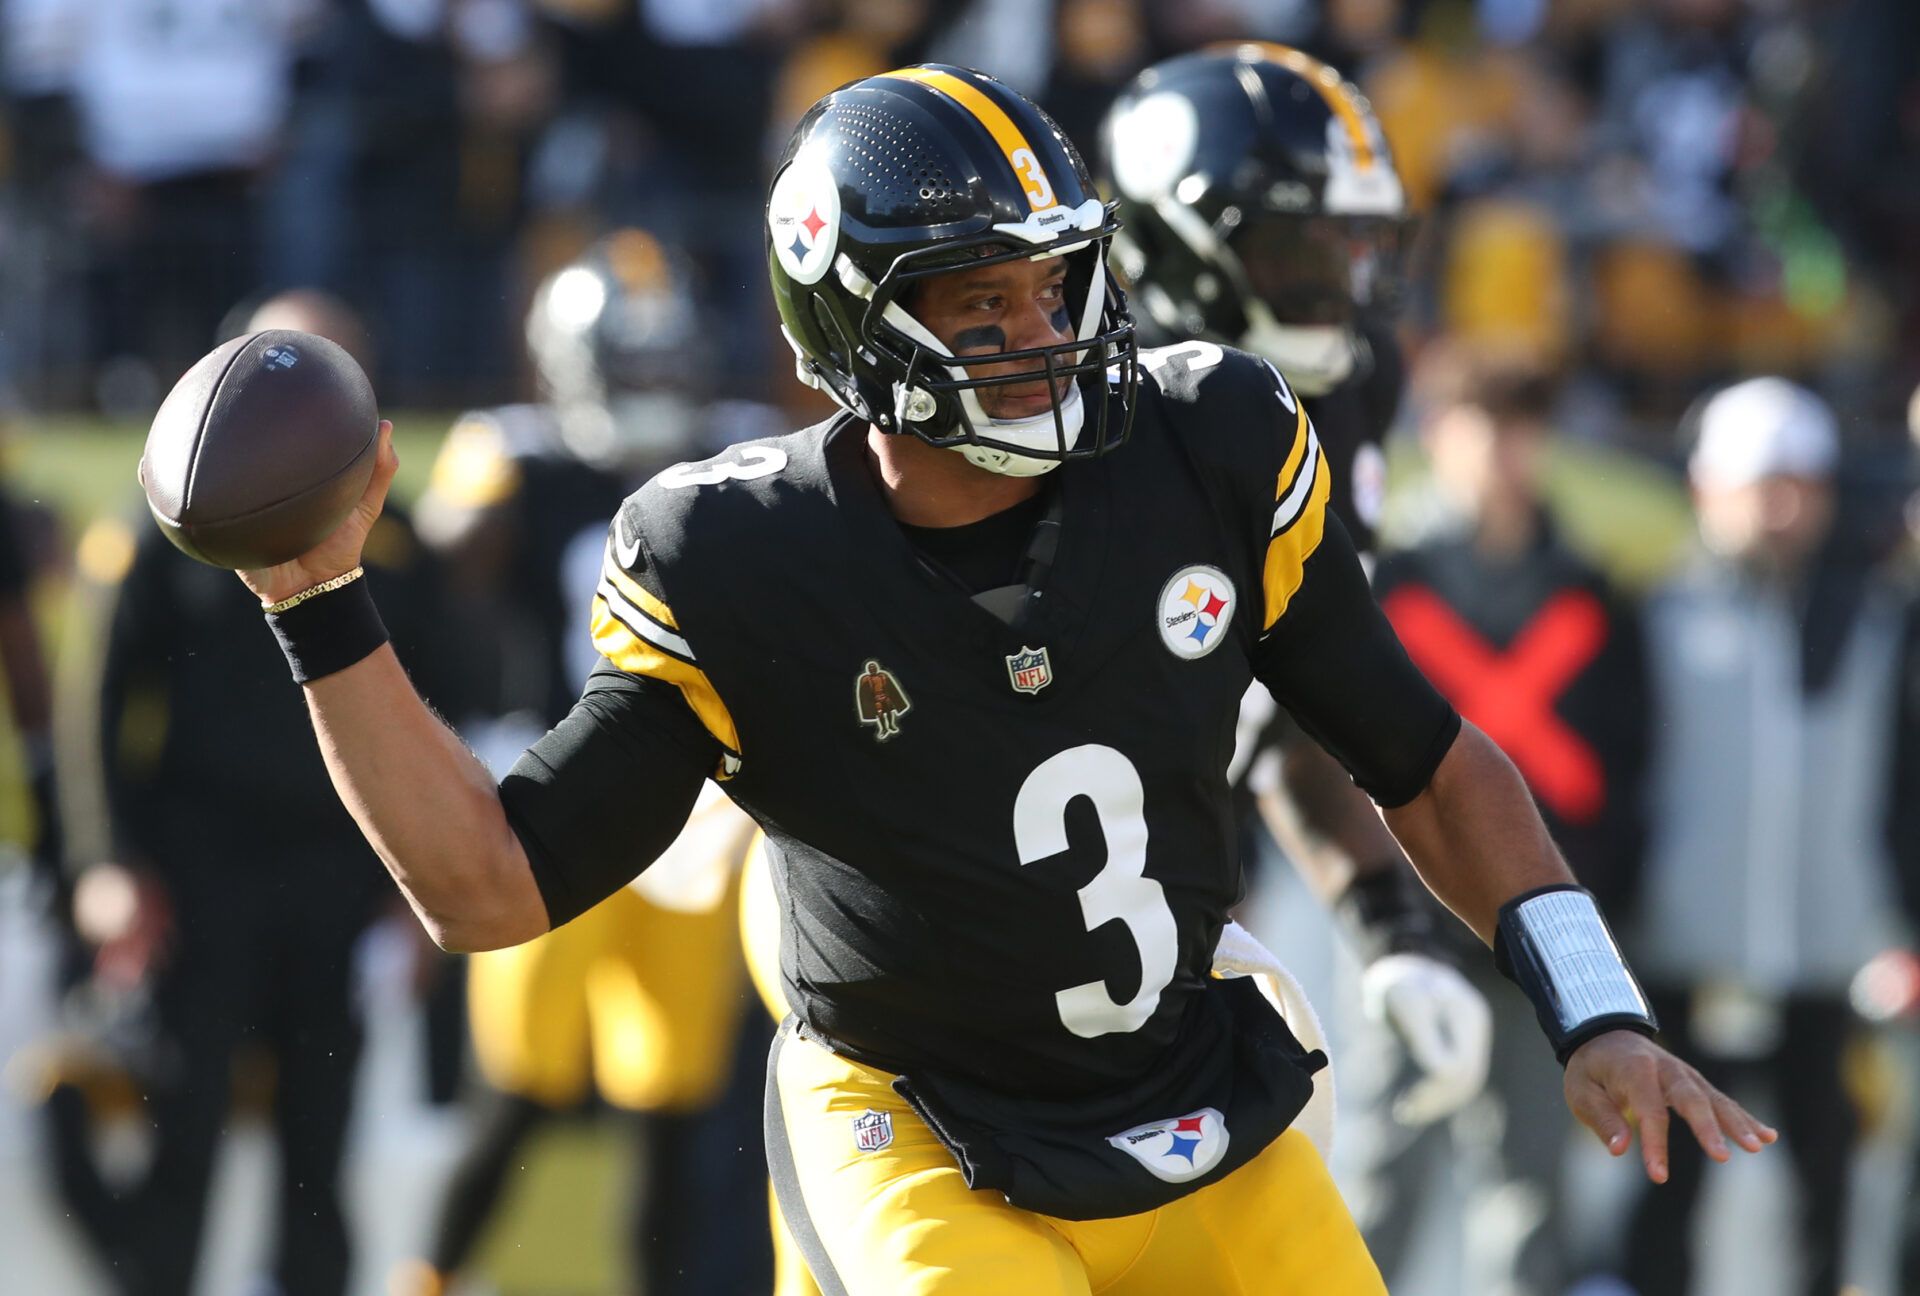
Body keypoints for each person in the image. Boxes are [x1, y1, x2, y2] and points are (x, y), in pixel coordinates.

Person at [227, 65, 1772, 1296]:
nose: (1042, 336)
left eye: (1054, 288)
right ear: (856, 319)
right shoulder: (742, 560)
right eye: (981, 305)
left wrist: (1595, 1011)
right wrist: (318, 604)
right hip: (924, 1133)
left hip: (1202, 1096)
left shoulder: (1209, 446)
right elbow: (492, 889)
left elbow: (1426, 759)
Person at [1100, 41, 1494, 1136]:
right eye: (1297, 241)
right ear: (1175, 240)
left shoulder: (1349, 382)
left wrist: (1394, 934)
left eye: (1354, 237)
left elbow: (1296, 703)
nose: (1339, 277)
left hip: (1162, 908)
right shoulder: (1073, 417)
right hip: (952, 918)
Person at [48, 292, 464, 1296]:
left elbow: (440, 717)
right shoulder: (162, 524)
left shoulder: (402, 544)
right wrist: (106, 861)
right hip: (200, 867)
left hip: (337, 868)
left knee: (322, 1145)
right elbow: (93, 701)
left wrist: (422, 886)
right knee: (178, 1131)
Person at [391, 231, 763, 1296]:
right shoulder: (514, 455)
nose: (653, 386)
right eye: (631, 363)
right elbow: (443, 564)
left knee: (670, 1113)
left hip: (694, 826)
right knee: (517, 1097)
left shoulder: (731, 452)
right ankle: (429, 1277)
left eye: (666, 361)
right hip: (547, 814)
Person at [1618, 377, 1910, 1296]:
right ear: (1708, 487)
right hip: (1683, 957)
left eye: (1803, 484)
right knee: (1667, 1197)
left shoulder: (1874, 622)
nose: (1783, 507)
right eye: (1761, 483)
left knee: (1826, 1196)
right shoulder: (1655, 614)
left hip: (1829, 963)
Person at [1369, 347, 1651, 1295]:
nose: (1497, 451)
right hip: (1415, 921)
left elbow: (1625, 760)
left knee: (1531, 1189)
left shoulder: (1590, 594)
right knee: (1379, 1174)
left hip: (1552, 920)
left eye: (1517, 428)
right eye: (1475, 426)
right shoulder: (1391, 580)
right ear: (1438, 438)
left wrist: (1599, 912)